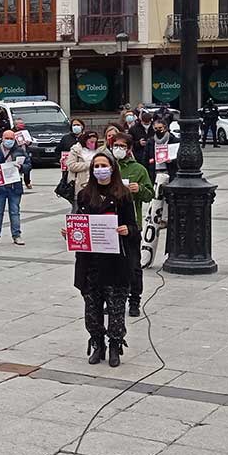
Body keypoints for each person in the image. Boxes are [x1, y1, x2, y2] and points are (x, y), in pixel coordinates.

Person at [65, 152, 137, 367]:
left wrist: (128, 230)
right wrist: (71, 232)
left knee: (116, 309)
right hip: (91, 264)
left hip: (115, 263)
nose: (99, 169)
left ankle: (115, 344)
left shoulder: (123, 195)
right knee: (92, 309)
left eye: (103, 165)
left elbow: (134, 227)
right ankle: (98, 343)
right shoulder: (85, 194)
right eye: (96, 166)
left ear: (112, 169)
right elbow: (80, 222)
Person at [108, 132, 154, 317]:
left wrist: (139, 189)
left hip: (131, 224)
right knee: (110, 266)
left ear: (129, 149)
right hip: (109, 223)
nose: (118, 149)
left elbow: (150, 195)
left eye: (122, 146)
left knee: (133, 265)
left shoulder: (138, 169)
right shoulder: (106, 166)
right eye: (115, 145)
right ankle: (112, 299)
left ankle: (134, 300)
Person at [0, 130, 27, 245]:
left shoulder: (19, 150)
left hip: (14, 186)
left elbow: (29, 165)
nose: (9, 141)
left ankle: (16, 235)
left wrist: (21, 167)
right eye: (7, 138)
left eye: (11, 138)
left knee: (15, 212)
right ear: (2, 138)